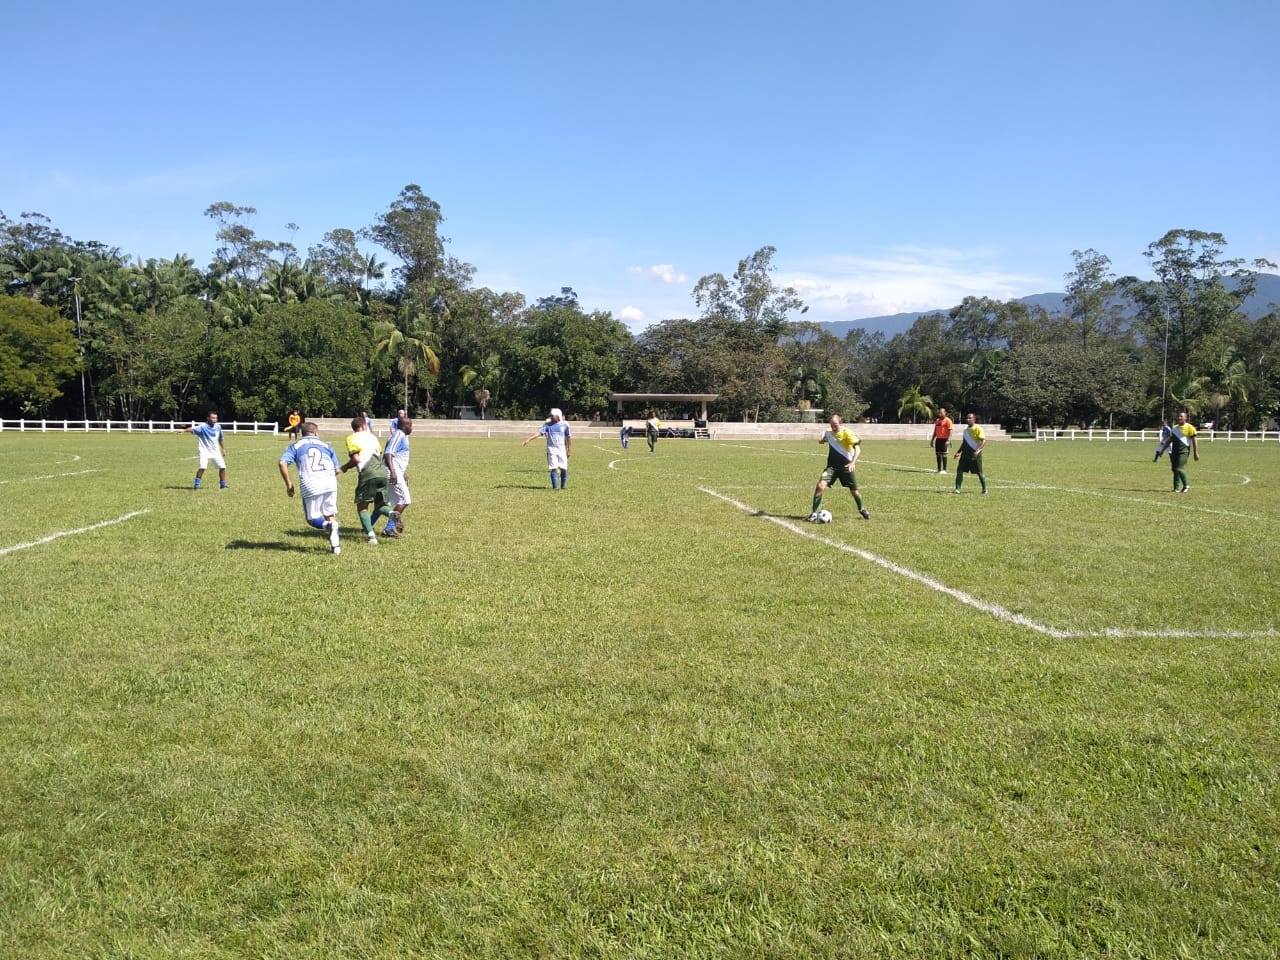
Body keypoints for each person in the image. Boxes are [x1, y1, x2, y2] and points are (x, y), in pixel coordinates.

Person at [278, 422, 343, 554]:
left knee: (312, 518)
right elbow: (337, 469)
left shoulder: (295, 446)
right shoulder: (327, 446)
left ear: (302, 433)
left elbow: (282, 462)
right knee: (329, 513)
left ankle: (328, 526)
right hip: (330, 482)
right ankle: (335, 547)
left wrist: (289, 484)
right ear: (315, 432)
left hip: (311, 483)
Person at [808, 414, 871, 521]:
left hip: (846, 467)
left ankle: (862, 509)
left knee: (854, 491)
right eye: (831, 425)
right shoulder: (829, 433)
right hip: (831, 467)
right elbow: (823, 439)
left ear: (840, 424)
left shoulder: (847, 433)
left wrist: (852, 463)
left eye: (835, 425)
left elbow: (858, 449)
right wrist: (821, 440)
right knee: (820, 486)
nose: (833, 427)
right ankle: (814, 513)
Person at [339, 415, 391, 544]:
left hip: (368, 473)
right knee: (380, 505)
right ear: (364, 426)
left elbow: (356, 459)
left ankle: (371, 536)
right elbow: (378, 453)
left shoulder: (351, 438)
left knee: (362, 507)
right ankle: (392, 513)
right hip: (382, 472)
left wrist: (344, 467)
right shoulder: (373, 437)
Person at [522, 408, 572, 489]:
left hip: (562, 449)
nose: (551, 417)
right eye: (551, 415)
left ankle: (563, 486)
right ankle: (555, 488)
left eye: (553, 415)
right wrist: (529, 439)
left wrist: (569, 449)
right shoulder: (547, 425)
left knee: (563, 468)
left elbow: (568, 437)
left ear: (558, 416)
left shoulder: (565, 425)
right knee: (553, 468)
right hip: (551, 449)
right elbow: (539, 433)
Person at [382, 417, 413, 537]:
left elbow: (397, 457)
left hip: (396, 471)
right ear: (403, 426)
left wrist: (403, 473)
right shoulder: (399, 434)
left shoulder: (403, 436)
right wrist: (393, 471)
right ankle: (389, 527)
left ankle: (373, 526)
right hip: (392, 472)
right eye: (409, 425)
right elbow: (388, 453)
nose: (411, 427)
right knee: (404, 500)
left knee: (389, 502)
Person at [181, 411, 228, 490]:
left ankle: (223, 485)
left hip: (215, 452)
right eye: (213, 418)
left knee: (222, 467)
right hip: (204, 451)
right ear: (208, 418)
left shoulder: (218, 427)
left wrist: (223, 449)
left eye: (216, 418)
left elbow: (220, 439)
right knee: (202, 467)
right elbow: (192, 429)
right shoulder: (202, 427)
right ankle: (197, 485)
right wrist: (184, 430)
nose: (215, 420)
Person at [1156, 410, 1199, 493]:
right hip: (1174, 451)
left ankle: (1186, 485)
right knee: (1174, 469)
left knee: (1179, 468)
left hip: (1183, 451)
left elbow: (1194, 440)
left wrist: (1195, 453)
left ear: (1186, 418)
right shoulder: (1174, 428)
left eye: (1181, 416)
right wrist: (1162, 450)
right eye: (1178, 416)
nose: (1179, 417)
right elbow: (1169, 440)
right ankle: (1176, 488)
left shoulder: (1190, 427)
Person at [953, 412, 988, 494]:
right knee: (959, 470)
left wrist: (978, 451)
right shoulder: (965, 430)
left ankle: (984, 489)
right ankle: (957, 489)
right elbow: (964, 443)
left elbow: (983, 441)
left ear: (974, 419)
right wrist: (958, 452)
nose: (968, 419)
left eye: (970, 418)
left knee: (979, 472)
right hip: (965, 454)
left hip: (974, 455)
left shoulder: (978, 428)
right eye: (967, 418)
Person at [930, 406, 953, 473]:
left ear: (945, 413)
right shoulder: (937, 420)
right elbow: (935, 431)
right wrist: (932, 440)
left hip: (945, 440)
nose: (939, 413)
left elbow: (950, 431)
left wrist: (949, 440)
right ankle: (939, 469)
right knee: (938, 455)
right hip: (938, 440)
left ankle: (944, 470)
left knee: (944, 454)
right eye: (939, 412)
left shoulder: (948, 420)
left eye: (941, 412)